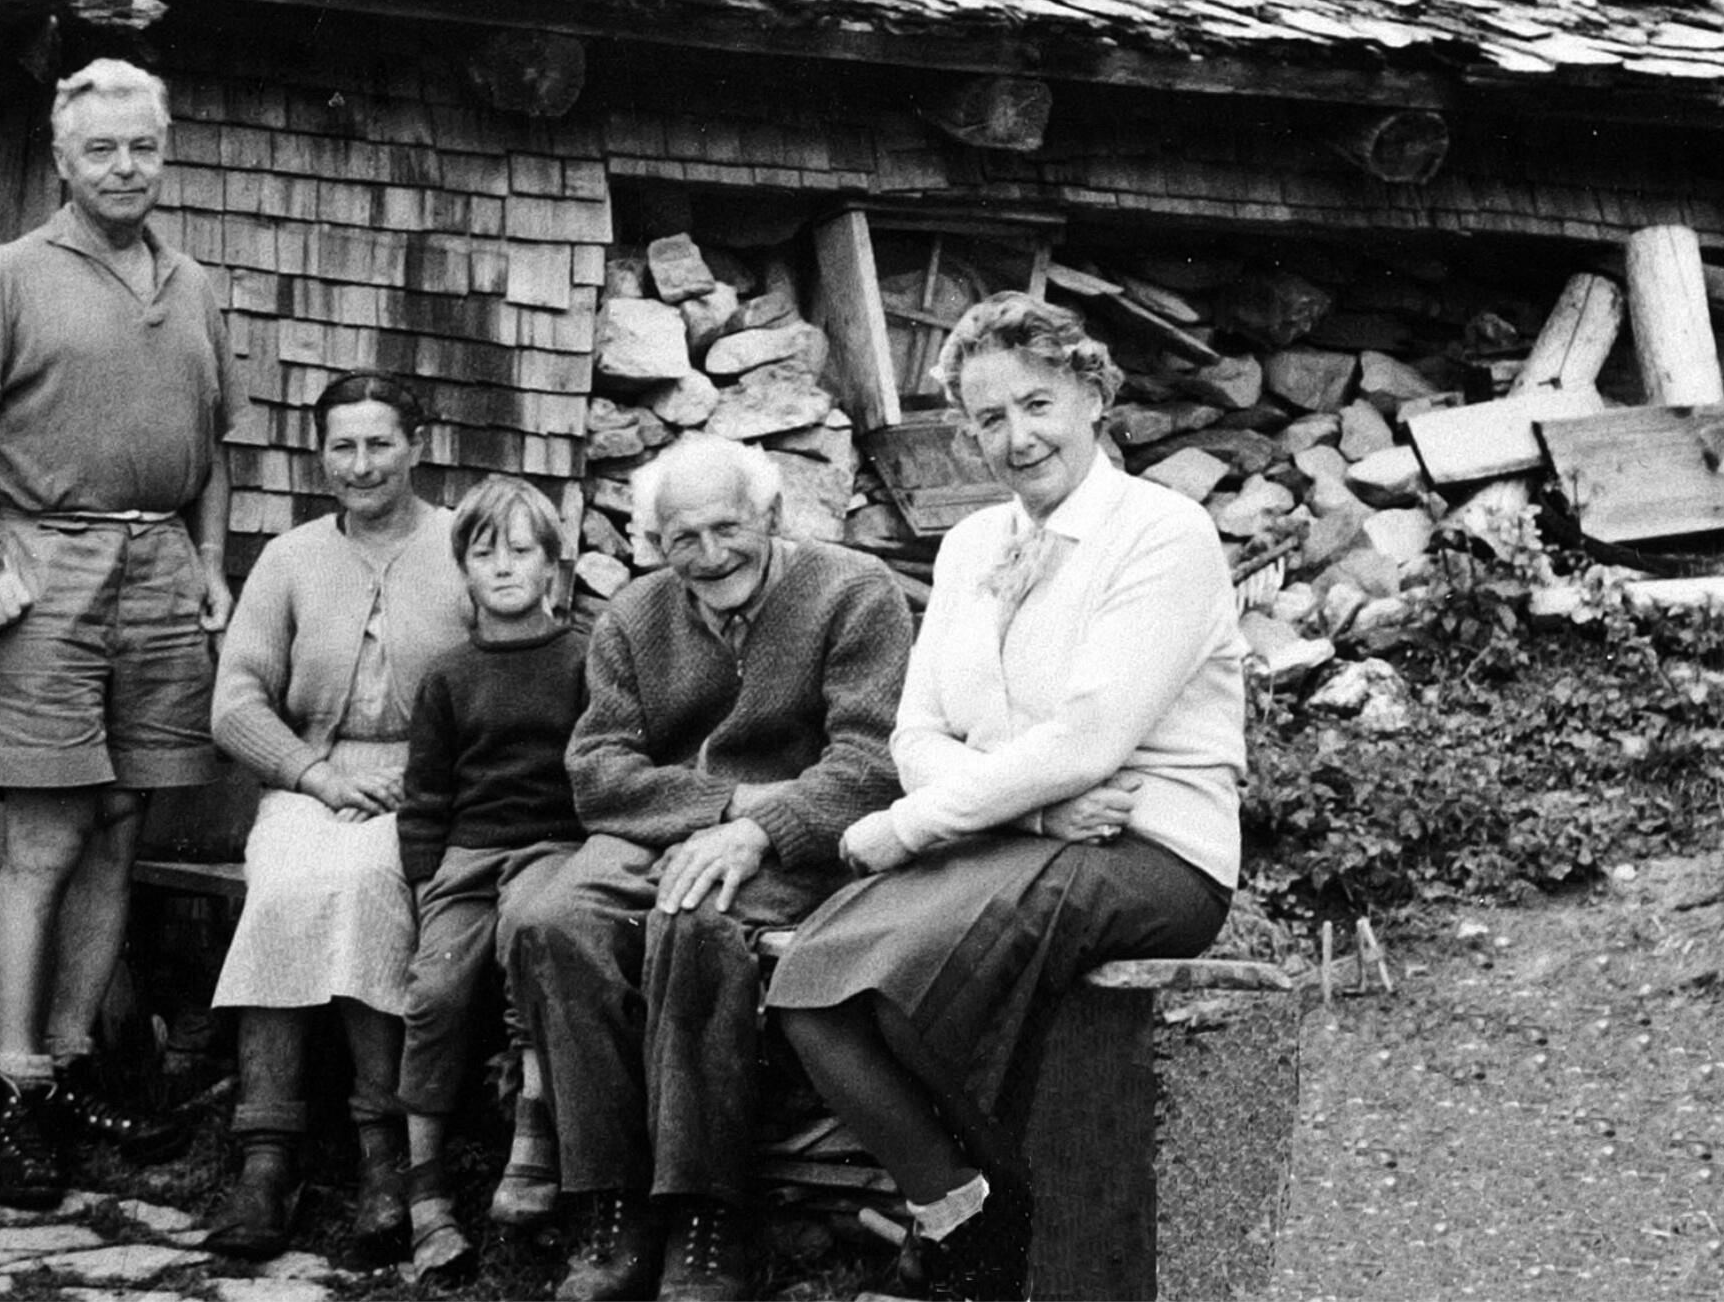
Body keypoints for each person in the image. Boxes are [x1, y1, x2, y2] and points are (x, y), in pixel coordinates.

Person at [767, 293, 1248, 1299]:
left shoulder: (1163, 533)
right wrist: (1027, 811)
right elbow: (916, 733)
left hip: (1151, 848)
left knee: (908, 988)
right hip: (1017, 837)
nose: (1018, 437)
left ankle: (1023, 1243)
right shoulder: (968, 545)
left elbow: (1091, 740)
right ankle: (964, 1216)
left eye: (1038, 404)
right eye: (990, 417)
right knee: (812, 983)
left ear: (1093, 395)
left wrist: (905, 827)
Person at [0, 58, 238, 1211]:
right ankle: (17, 1092)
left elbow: (212, 445)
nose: (126, 167)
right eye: (102, 149)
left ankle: (79, 1059)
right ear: (62, 159)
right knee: (46, 835)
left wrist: (211, 563)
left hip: (161, 568)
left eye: (143, 145)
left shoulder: (192, 283)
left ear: (164, 148)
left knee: (121, 823)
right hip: (50, 565)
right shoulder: (7, 275)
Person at [509, 433, 914, 1302]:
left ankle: (705, 1216)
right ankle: (610, 1207)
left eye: (728, 527)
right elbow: (597, 771)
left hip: (802, 839)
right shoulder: (634, 615)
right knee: (554, 923)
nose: (710, 554)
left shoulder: (855, 593)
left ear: (773, 514)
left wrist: (764, 827)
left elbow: (872, 761)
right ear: (656, 542)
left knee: (695, 924)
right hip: (668, 827)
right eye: (682, 538)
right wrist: (725, 808)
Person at [200, 372, 473, 1262]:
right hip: (312, 781)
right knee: (283, 883)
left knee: (365, 882)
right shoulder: (291, 559)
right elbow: (236, 701)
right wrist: (313, 774)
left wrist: (427, 777)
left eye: (379, 443)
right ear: (321, 455)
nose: (361, 465)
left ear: (416, 447)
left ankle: (381, 1152)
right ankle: (267, 1155)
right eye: (342, 446)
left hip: (430, 788)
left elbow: (508, 674)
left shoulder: (462, 545)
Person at [392, 475, 590, 1282]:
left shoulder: (584, 659)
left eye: (521, 550)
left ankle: (531, 1147)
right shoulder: (448, 675)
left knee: (529, 945)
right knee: (435, 993)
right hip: (469, 857)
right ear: (463, 570)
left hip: (556, 849)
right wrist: (425, 890)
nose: (504, 567)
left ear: (553, 565)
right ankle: (425, 1189)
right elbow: (424, 800)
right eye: (484, 553)